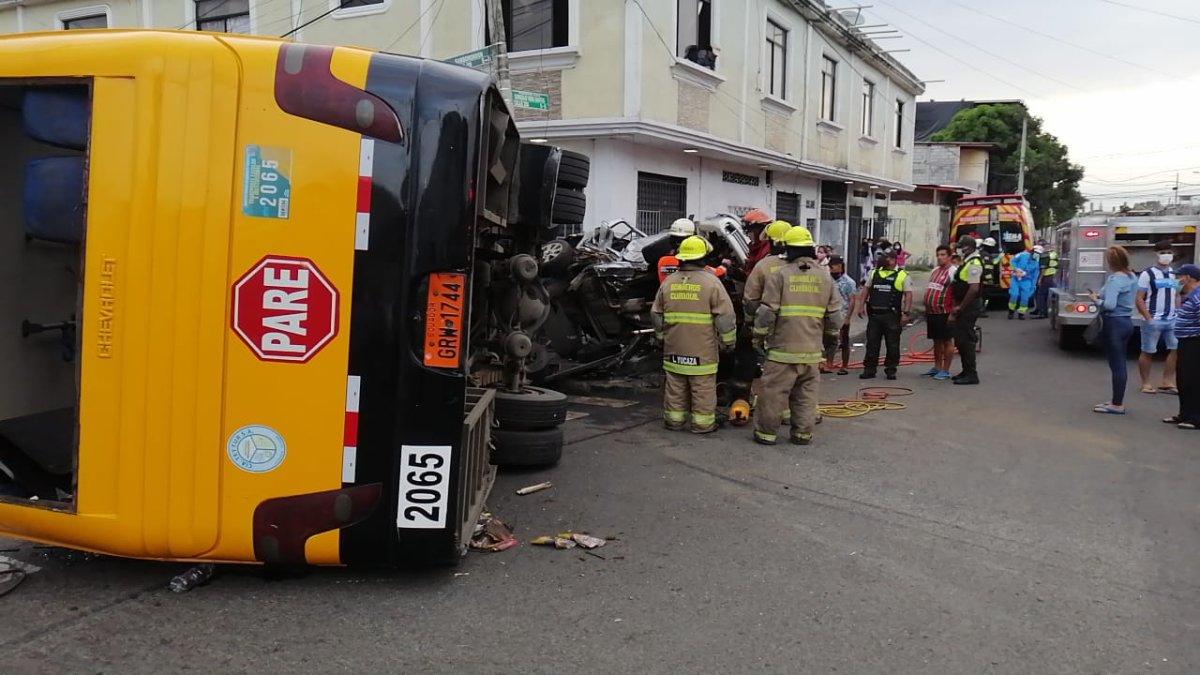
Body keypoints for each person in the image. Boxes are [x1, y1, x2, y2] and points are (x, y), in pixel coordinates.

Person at [752, 226, 842, 446]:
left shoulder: (780, 275)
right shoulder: (825, 277)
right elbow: (834, 316)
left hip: (782, 350)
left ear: (788, 249)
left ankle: (766, 434)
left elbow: (766, 312)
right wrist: (831, 341)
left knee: (773, 395)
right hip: (811, 352)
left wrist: (758, 338)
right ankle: (802, 434)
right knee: (806, 396)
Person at [651, 236, 737, 433]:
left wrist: (661, 338)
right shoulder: (712, 283)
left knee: (675, 388)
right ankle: (702, 424)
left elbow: (656, 314)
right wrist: (728, 343)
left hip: (674, 348)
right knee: (703, 389)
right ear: (703, 257)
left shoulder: (669, 283)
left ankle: (674, 422)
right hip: (702, 351)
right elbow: (725, 317)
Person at [1088, 245, 1138, 415]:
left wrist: (1096, 300)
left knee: (1116, 365)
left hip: (1114, 323)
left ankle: (1117, 404)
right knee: (1120, 362)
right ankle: (1116, 401)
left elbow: (1110, 305)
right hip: (1126, 322)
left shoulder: (1115, 279)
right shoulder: (1131, 277)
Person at [855, 249, 912, 380]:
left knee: (892, 344)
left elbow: (908, 295)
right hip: (875, 314)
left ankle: (891, 369)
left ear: (893, 260)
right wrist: (860, 306)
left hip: (891, 315)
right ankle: (869, 369)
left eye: (886, 257)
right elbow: (866, 290)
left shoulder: (903, 275)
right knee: (872, 343)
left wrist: (906, 313)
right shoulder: (874, 273)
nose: (882, 259)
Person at [1135, 240, 1180, 395]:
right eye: (1162, 252)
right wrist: (1148, 317)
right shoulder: (1148, 274)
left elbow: (1177, 294)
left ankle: (1167, 381)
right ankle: (1146, 383)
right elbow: (1139, 297)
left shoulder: (1174, 273)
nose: (1166, 255)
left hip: (1172, 319)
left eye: (1169, 252)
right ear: (1156, 254)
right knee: (1148, 351)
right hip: (1153, 318)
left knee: (1175, 349)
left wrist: (1178, 313)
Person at [1164, 264, 1200, 429]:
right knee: (1183, 378)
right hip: (1185, 340)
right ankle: (1184, 414)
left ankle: (1195, 417)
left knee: (1193, 380)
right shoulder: (1189, 294)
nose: (1177, 280)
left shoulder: (1198, 295)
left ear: (1189, 278)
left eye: (1179, 277)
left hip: (1195, 341)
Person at [949, 235, 984, 385]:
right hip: (964, 305)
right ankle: (965, 371)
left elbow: (973, 289)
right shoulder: (968, 261)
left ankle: (971, 374)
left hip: (968, 306)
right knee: (961, 339)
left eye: (961, 246)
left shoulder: (974, 263)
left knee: (966, 340)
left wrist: (960, 307)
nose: (959, 249)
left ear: (968, 247)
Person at [922, 245, 957, 381]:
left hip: (945, 312)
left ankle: (946, 370)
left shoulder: (953, 272)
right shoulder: (935, 271)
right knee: (936, 340)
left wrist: (953, 313)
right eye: (938, 255)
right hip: (932, 312)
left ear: (949, 256)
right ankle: (937, 367)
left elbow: (955, 293)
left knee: (947, 340)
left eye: (943, 255)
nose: (940, 257)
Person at [823, 255, 857, 376]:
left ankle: (844, 365)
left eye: (831, 266)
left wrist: (847, 317)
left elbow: (852, 300)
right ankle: (828, 363)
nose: (830, 269)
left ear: (839, 266)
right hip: (828, 314)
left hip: (842, 314)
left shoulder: (848, 282)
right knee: (828, 341)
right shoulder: (827, 279)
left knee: (844, 341)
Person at [1007, 246, 1039, 320]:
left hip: (1026, 281)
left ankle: (1021, 313)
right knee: (1014, 294)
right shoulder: (1022, 255)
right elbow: (1012, 261)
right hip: (1015, 279)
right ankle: (1011, 311)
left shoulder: (1036, 263)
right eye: (1036, 253)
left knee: (1025, 298)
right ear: (1032, 252)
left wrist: (1033, 285)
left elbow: (1035, 276)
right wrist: (1016, 268)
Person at [1031, 240, 1058, 319]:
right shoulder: (1053, 254)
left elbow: (1043, 269)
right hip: (1053, 276)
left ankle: (1042, 313)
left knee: (1041, 295)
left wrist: (1039, 279)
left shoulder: (1044, 255)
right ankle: (1042, 311)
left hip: (1046, 277)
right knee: (1046, 295)